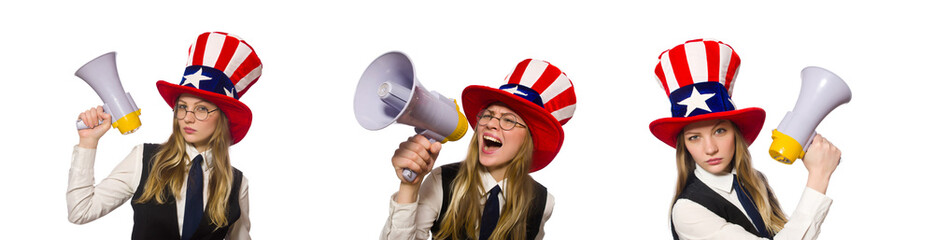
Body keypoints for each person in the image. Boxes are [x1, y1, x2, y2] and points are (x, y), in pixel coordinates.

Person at [67, 32, 262, 240]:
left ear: (222, 119)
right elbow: (81, 211)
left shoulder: (237, 183)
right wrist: (88, 142)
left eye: (202, 109)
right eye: (182, 107)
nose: (188, 118)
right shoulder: (144, 159)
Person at [649, 39, 841, 240]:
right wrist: (819, 175)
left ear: (736, 133)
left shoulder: (754, 181)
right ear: (684, 146)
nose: (710, 148)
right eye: (694, 137)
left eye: (719, 131)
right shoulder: (688, 211)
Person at [380, 59, 577, 240]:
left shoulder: (543, 203)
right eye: (488, 114)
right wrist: (409, 187)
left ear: (529, 140)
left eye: (508, 120)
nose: (491, 123)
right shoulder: (442, 181)